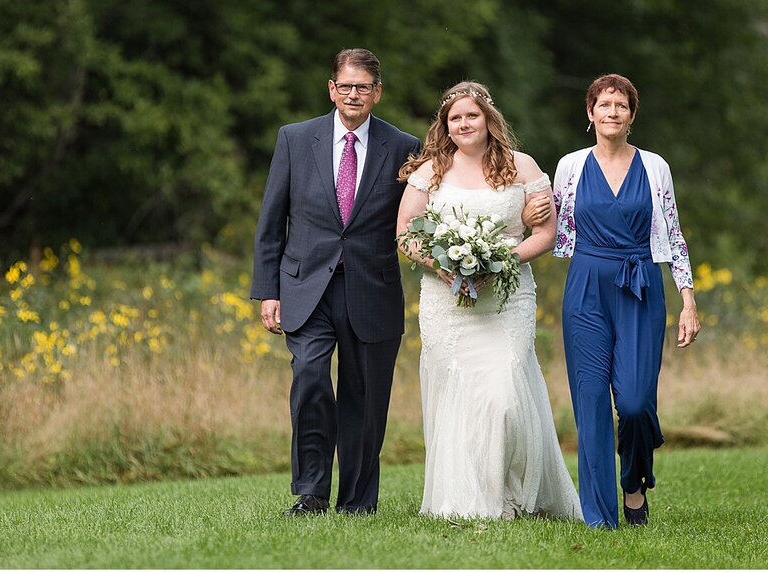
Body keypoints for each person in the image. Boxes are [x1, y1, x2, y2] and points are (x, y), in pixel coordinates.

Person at [396, 81, 582, 521]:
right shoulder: (431, 171)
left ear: (487, 119)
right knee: (460, 395)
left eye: (471, 116)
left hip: (507, 298)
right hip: (448, 301)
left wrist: (498, 261)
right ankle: (476, 499)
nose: (464, 124)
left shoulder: (522, 166)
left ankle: (520, 491)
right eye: (455, 118)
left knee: (505, 396)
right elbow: (405, 231)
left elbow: (546, 233)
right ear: (445, 125)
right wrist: (444, 267)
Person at [251, 48, 421, 516]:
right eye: (345, 85)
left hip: (373, 288)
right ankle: (311, 493)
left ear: (377, 93)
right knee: (309, 378)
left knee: (365, 398)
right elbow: (272, 221)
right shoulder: (295, 138)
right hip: (306, 288)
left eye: (362, 87)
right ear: (331, 89)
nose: (353, 94)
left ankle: (358, 500)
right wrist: (268, 290)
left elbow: (425, 215)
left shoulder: (404, 146)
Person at [552, 73, 700, 529]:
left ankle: (633, 483)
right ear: (590, 113)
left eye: (621, 105)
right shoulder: (570, 166)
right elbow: (550, 226)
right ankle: (600, 517)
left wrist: (688, 301)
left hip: (641, 286)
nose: (612, 112)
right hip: (586, 289)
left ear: (632, 115)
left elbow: (673, 234)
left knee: (635, 403)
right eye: (604, 104)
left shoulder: (655, 166)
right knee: (592, 400)